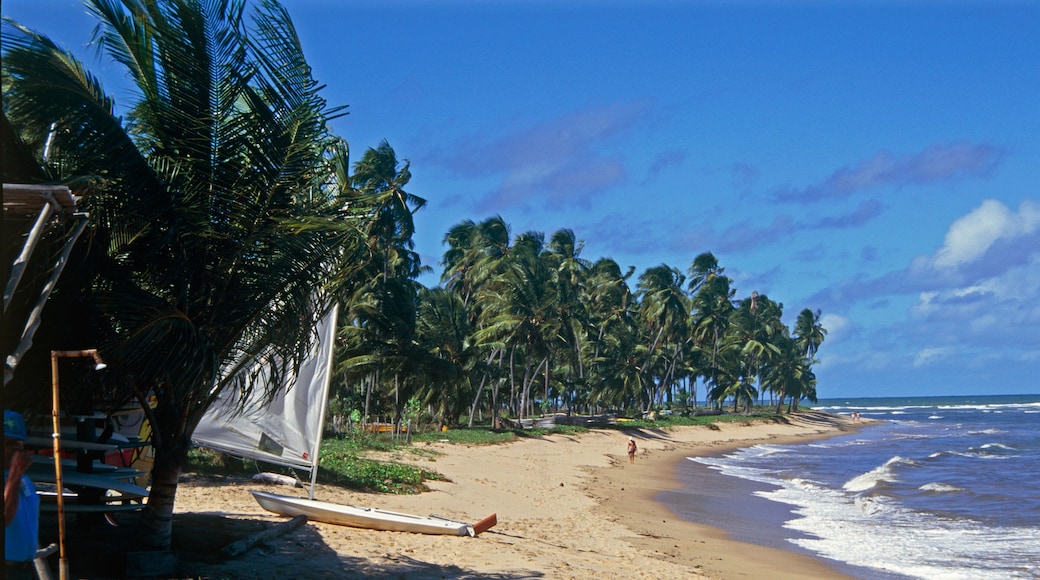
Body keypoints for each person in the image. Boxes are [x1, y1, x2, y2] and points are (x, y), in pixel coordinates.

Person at [5, 410, 39, 580]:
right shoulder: (15, 476)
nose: (15, 451)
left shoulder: (24, 479)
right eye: (9, 444)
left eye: (19, 445)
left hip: (25, 567)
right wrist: (14, 474)